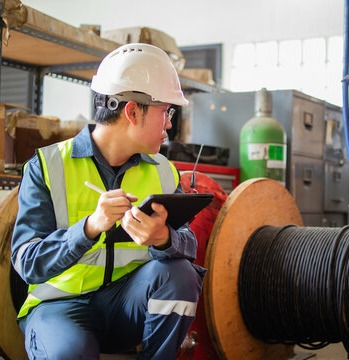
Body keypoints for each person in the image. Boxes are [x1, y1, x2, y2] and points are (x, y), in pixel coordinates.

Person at [11, 43, 205, 360]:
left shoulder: (164, 172)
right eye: (166, 112)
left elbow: (189, 245)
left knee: (180, 274)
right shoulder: (48, 166)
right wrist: (88, 228)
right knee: (69, 354)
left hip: (126, 309)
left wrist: (163, 238)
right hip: (60, 309)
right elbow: (27, 262)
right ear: (132, 111)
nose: (169, 124)